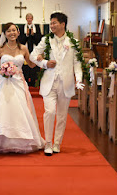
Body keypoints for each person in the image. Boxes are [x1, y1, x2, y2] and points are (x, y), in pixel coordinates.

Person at [0, 22, 45, 153]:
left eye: (14, 30)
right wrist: (3, 72)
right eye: (9, 31)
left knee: (20, 110)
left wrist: (40, 59)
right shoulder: (1, 49)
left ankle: (21, 139)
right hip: (4, 83)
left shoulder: (23, 48)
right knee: (1, 109)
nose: (12, 33)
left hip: (19, 82)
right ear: (5, 34)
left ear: (18, 32)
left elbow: (32, 65)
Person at [30, 12, 84, 156]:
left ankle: (57, 143)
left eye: (54, 23)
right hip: (49, 82)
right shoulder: (46, 40)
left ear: (63, 24)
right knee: (50, 112)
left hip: (66, 83)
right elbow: (33, 55)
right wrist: (45, 63)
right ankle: (47, 142)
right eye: (51, 22)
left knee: (61, 116)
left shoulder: (74, 42)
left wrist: (78, 79)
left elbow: (77, 63)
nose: (52, 25)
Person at [19, 13, 42, 87]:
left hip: (34, 48)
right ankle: (25, 80)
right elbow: (20, 40)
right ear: (26, 19)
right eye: (28, 18)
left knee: (34, 64)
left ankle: (34, 80)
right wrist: (26, 35)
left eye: (30, 18)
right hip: (26, 49)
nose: (29, 19)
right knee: (25, 65)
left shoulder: (36, 27)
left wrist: (33, 34)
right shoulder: (22, 27)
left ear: (32, 19)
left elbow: (39, 39)